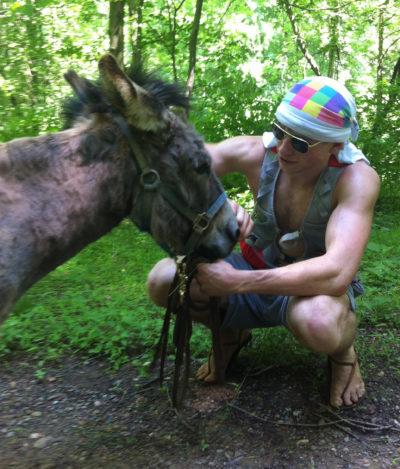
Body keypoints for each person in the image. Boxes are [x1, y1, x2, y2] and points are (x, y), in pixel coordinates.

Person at [147, 76, 380, 408]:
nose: (283, 148)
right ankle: (230, 333)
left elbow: (336, 272)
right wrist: (214, 205)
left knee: (320, 323)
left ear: (335, 146)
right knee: (163, 282)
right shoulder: (257, 151)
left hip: (310, 291)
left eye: (300, 143)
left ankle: (344, 354)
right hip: (252, 263)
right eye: (280, 131)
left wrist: (239, 282)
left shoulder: (355, 179)